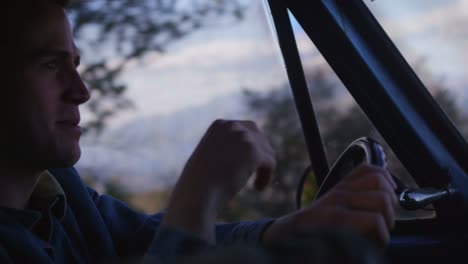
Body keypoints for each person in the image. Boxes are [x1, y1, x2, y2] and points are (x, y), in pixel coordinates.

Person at [0, 0, 398, 263]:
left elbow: (146, 239)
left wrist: (289, 227)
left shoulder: (61, 193)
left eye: (76, 63)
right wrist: (198, 196)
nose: (81, 91)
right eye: (50, 65)